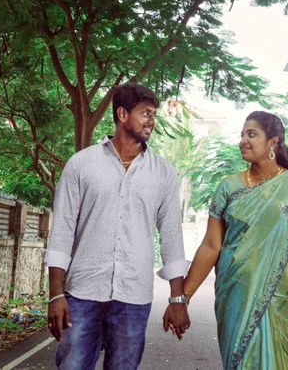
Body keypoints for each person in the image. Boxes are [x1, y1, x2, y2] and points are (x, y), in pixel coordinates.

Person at [45, 82, 190, 370]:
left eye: (153, 114)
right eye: (145, 113)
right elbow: (62, 230)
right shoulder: (81, 165)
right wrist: (56, 294)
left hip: (133, 297)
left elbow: (172, 235)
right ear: (122, 114)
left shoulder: (163, 173)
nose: (152, 121)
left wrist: (178, 299)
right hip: (82, 293)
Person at [183, 110, 288, 369]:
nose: (243, 140)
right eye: (242, 135)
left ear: (273, 141)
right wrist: (182, 298)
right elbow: (211, 245)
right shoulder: (228, 187)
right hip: (236, 298)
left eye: (252, 134)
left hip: (285, 302)